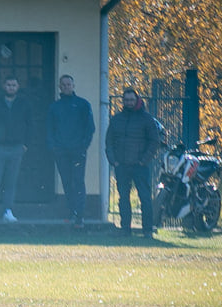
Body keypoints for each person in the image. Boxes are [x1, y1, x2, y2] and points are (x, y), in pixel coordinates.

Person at [105, 88, 160, 238]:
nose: (129, 103)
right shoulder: (117, 119)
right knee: (123, 198)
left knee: (145, 198)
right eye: (126, 100)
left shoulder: (147, 119)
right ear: (123, 101)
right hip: (121, 165)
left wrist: (144, 161)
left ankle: (147, 231)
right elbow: (109, 141)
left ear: (137, 100)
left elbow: (154, 142)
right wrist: (113, 161)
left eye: (131, 100)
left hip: (140, 166)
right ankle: (125, 229)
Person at [0, 76, 33, 223]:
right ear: (4, 86)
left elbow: (30, 125)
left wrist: (25, 144)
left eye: (14, 85)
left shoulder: (24, 105)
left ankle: (7, 211)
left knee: (11, 181)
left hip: (16, 148)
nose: (11, 87)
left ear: (18, 86)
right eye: (8, 84)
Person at [46, 74, 95, 229]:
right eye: (63, 84)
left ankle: (79, 215)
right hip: (61, 151)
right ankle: (71, 212)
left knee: (78, 181)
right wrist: (54, 146)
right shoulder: (55, 107)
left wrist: (83, 146)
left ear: (73, 86)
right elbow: (49, 129)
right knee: (67, 181)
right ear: (59, 87)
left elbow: (90, 128)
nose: (66, 87)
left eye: (69, 84)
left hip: (78, 150)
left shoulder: (83, 104)